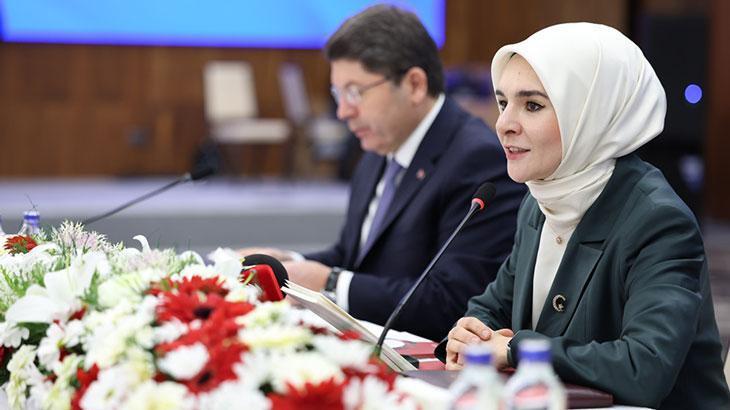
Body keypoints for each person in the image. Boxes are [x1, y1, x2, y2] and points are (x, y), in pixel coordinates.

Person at [439, 22, 730, 408]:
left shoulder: (659, 220)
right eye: (503, 102)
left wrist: (513, 350)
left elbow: (643, 367)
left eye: (532, 105)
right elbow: (494, 305)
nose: (504, 124)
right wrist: (471, 334)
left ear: (590, 114)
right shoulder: (540, 199)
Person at [241, 5, 525, 341]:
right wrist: (285, 263)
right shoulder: (379, 148)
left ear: (414, 84)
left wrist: (329, 282)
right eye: (337, 94)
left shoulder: (477, 160)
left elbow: (454, 302)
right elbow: (354, 257)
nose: (343, 111)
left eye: (355, 92)